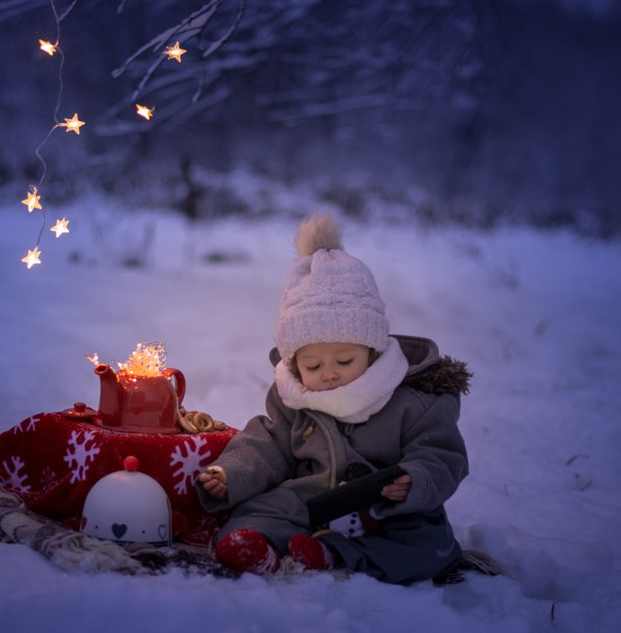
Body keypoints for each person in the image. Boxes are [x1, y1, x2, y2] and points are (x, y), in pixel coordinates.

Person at [196, 213, 471, 584]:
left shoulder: (414, 398)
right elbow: (266, 445)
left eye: (345, 361)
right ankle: (259, 547)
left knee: (428, 544)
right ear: (295, 363)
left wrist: (415, 481)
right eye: (312, 364)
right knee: (256, 511)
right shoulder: (293, 396)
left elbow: (442, 455)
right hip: (309, 501)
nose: (328, 373)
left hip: (384, 510)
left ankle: (331, 555)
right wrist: (231, 473)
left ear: (373, 351)